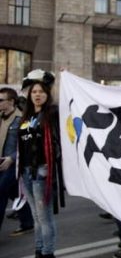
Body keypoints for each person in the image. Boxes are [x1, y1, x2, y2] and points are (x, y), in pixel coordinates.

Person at [18, 80, 65, 258]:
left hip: (42, 170)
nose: (37, 95)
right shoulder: (26, 116)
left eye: (41, 92)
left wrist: (63, 77)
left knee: (45, 218)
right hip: (25, 171)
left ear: (47, 95)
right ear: (30, 96)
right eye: (34, 92)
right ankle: (39, 250)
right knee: (36, 217)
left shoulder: (52, 114)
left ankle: (47, 252)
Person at [0, 87, 34, 236]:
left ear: (11, 102)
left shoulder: (21, 120)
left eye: (1, 100)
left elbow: (26, 145)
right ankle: (27, 222)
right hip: (0, 162)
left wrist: (12, 158)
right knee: (14, 193)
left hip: (13, 164)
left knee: (0, 192)